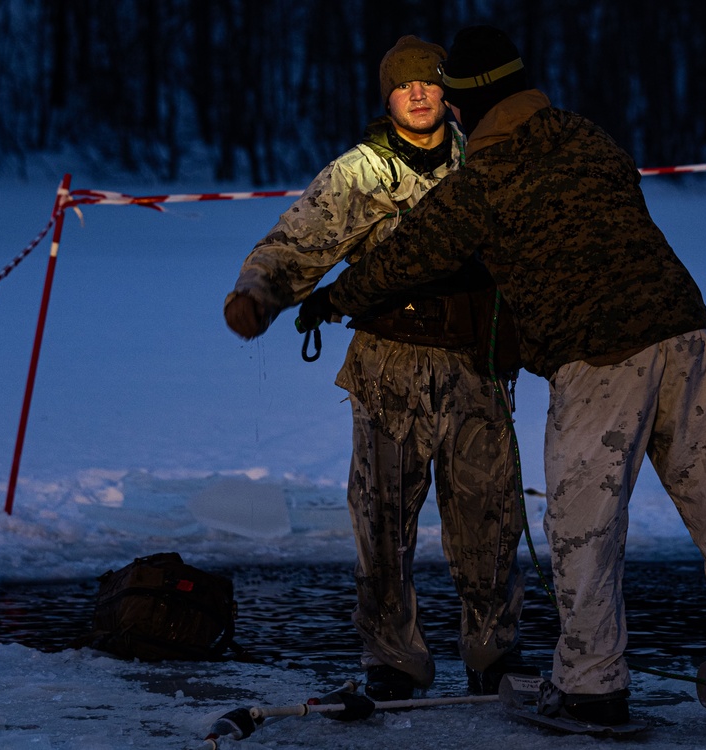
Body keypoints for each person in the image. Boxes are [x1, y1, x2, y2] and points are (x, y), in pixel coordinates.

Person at [303, 25, 706, 727]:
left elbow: (409, 255)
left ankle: (592, 686)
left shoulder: (485, 178)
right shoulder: (592, 139)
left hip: (599, 358)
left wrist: (332, 299)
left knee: (584, 528)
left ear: (467, 104)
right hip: (688, 338)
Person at [223, 34, 535, 701]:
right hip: (391, 368)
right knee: (382, 518)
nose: (419, 93)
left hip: (477, 365)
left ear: (448, 91)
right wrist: (258, 294)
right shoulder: (360, 173)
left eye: (430, 82)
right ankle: (393, 659)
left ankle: (494, 652)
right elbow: (296, 242)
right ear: (388, 96)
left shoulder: (484, 161)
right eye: (405, 84)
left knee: (491, 515)